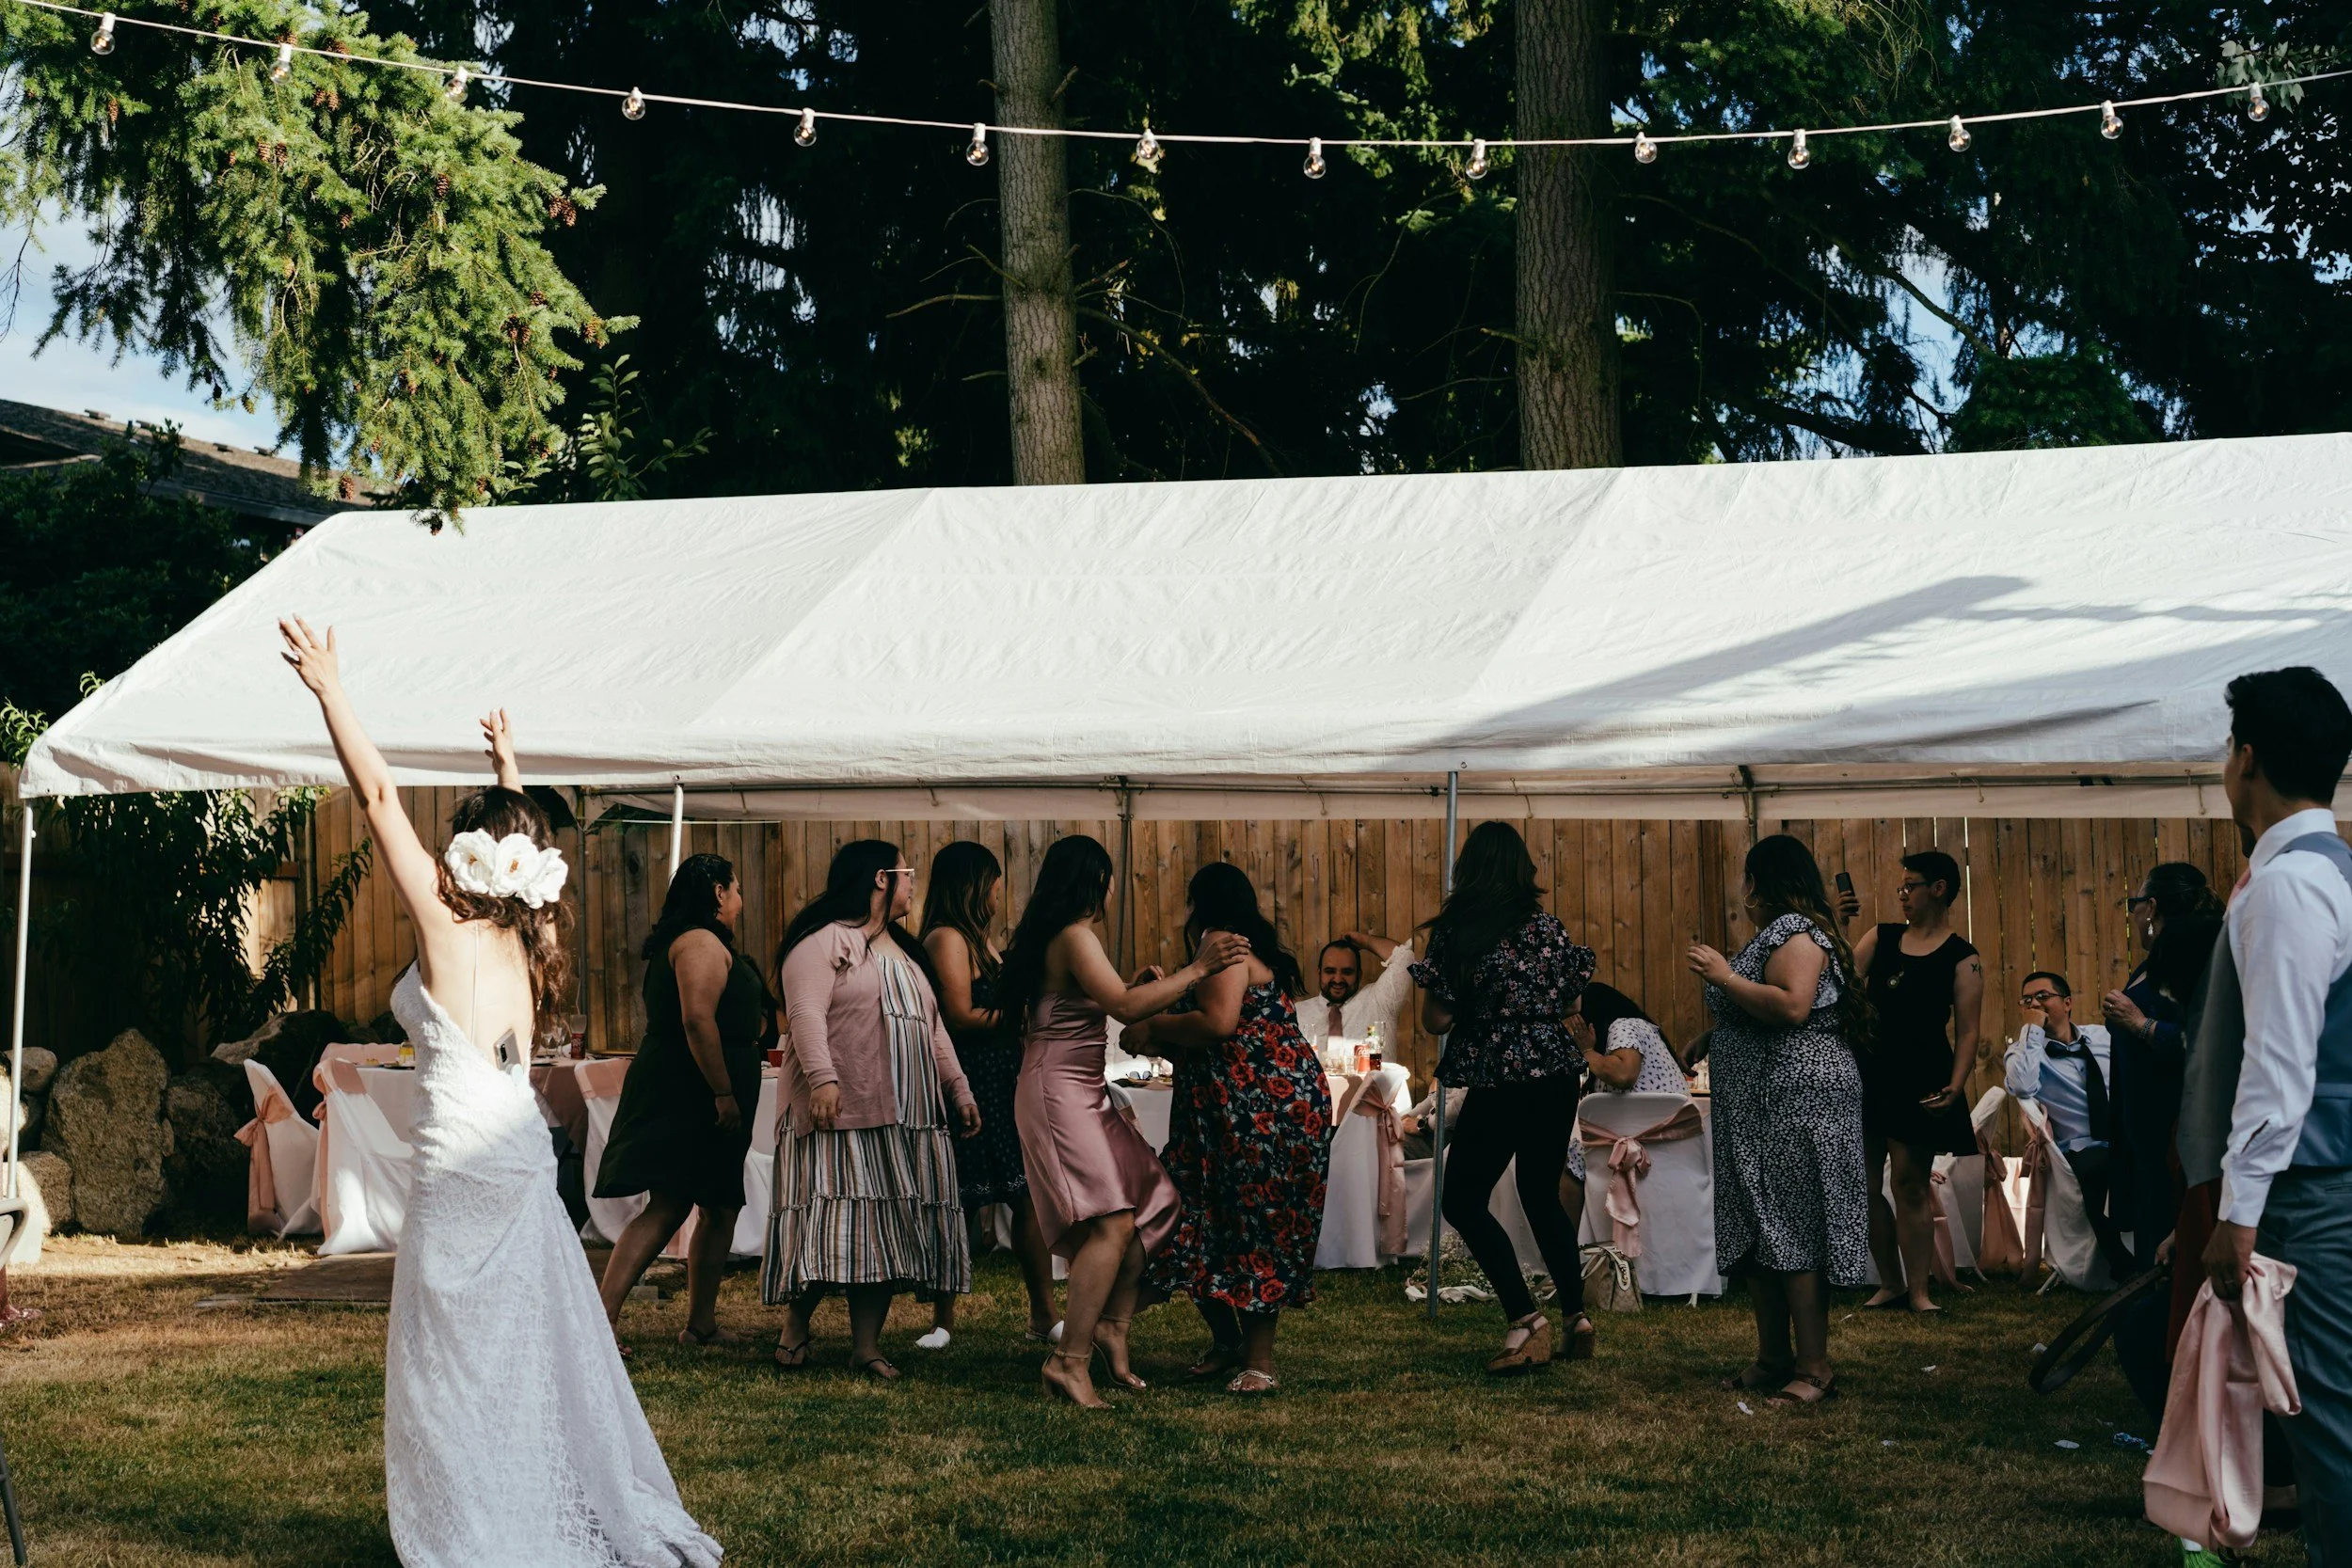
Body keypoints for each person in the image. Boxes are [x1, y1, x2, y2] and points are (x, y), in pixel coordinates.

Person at [278, 618, 718, 1566]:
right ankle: (527, 1491)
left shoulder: (445, 923)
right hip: (515, 1160)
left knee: (450, 1357)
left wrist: (330, 692)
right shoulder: (531, 939)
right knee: (520, 1344)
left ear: (470, 854)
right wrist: (511, 767)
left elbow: (378, 791)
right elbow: (522, 848)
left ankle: (476, 1516)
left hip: (458, 1170)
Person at [2186, 667, 2352, 1562]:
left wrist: (2238, 1212)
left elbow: (2279, 1064)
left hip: (2312, 1188)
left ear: (2245, 758)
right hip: (2327, 1175)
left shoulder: (2290, 885)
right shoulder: (2330, 868)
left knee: (2327, 1418)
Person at [994, 834, 1249, 1409]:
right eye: (1109, 878)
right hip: (1058, 1093)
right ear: (1095, 882)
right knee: (1112, 1220)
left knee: (1155, 1199)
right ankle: (1069, 1362)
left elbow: (1109, 999)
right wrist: (1197, 968)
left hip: (1079, 1088)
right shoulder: (1074, 935)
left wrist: (1136, 985)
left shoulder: (1063, 936)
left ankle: (1110, 1326)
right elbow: (1127, 1010)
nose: (1113, 889)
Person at [765, 841, 981, 1381]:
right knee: (833, 1224)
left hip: (906, 1116)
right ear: (881, 879)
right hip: (841, 1113)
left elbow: (931, 1029)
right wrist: (823, 1080)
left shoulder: (906, 955)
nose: (914, 883)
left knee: (882, 1232)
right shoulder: (822, 945)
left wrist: (958, 1089)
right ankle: (796, 1326)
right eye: (907, 873)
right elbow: (805, 1017)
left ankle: (867, 1346)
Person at [1129, 863, 1330, 1396]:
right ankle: (1227, 1343)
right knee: (1196, 1217)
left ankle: (1257, 1363)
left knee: (1251, 1225)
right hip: (1229, 1113)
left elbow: (1218, 1025)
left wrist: (1153, 1024)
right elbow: (1224, 1033)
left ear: (1202, 904)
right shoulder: (1227, 951)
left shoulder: (1222, 943)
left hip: (1260, 1114)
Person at [1409, 821, 1598, 1374]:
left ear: (1468, 869)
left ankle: (1525, 1319)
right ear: (1522, 869)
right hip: (1556, 1068)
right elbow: (1570, 998)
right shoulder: (1547, 928)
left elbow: (1435, 1018)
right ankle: (1575, 1317)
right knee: (1540, 1192)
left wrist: (1483, 1006)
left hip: (1499, 1073)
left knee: (1463, 1198)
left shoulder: (1459, 931)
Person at [1689, 832, 1869, 1408]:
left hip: (1795, 1102)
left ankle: (1814, 1368)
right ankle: (1772, 1357)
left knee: (1792, 1227)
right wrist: (1717, 1034)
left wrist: (1722, 976)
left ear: (1759, 882)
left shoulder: (1796, 933)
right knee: (1760, 1226)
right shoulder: (1778, 934)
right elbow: (1762, 1007)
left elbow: (1792, 1005)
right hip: (1759, 1106)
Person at [596, 852, 772, 1354]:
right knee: (670, 1201)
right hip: (690, 1088)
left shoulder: (705, 942)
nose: (740, 901)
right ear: (718, 892)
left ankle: (701, 1324)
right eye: (736, 890)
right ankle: (602, 1319)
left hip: (708, 1086)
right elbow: (698, 1020)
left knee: (719, 1205)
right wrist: (722, 1092)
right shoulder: (697, 943)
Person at [915, 841, 1057, 1350]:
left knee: (1026, 1197)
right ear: (975, 886)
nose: (999, 897)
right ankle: (942, 1320)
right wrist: (1020, 1019)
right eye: (995, 886)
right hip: (971, 1081)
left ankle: (1044, 1313)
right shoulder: (947, 939)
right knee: (961, 1202)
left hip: (1004, 1077)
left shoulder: (979, 939)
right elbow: (958, 1016)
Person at [2101, 862, 2226, 1429]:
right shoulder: (2156, 962)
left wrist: (2140, 1025)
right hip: (2147, 1132)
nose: (2134, 913)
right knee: (2158, 1245)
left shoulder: (2195, 959)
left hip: (2182, 1134)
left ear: (2151, 907)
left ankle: (2184, 1386)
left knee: (2175, 1259)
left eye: (2136, 901)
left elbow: (2210, 1044)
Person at [1850, 850, 1984, 1313]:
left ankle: (1920, 1290)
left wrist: (1956, 1082)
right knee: (1861, 1185)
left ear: (1940, 888)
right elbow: (1841, 986)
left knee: (1909, 1183)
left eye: (1911, 885)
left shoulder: (1963, 958)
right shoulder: (1880, 937)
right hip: (1868, 1069)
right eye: (1901, 886)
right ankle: (1890, 1283)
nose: (1902, 893)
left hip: (1923, 1073)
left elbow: (1968, 1030)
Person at [2002, 972, 2136, 1279]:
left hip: (2125, 1135)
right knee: (2098, 1166)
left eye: (2043, 996)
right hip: (2079, 1147)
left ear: (2067, 1003)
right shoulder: (2022, 1053)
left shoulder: (2102, 1037)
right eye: (2027, 1000)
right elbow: (2022, 1086)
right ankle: (2123, 1266)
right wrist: (2033, 1031)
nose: (2035, 1002)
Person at [1559, 982, 1688, 1221]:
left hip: (1638, 1148)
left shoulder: (1624, 1026)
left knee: (1567, 1162)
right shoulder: (1644, 1030)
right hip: (1670, 1153)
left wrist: (1586, 1051)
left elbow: (1623, 1075)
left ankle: (1570, 1251)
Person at [1294, 929, 1417, 1053]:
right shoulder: (1295, 1013)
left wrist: (1365, 941)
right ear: (1319, 973)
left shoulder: (1379, 1001)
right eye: (1330, 971)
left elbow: (1405, 959)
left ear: (1359, 975)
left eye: (1347, 972)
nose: (1337, 979)